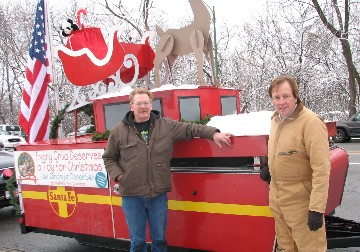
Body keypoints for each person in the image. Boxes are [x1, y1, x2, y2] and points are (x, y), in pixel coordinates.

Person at [102, 87, 232, 252]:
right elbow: (109, 157)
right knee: (138, 242)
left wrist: (213, 133)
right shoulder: (119, 131)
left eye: (146, 103)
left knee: (160, 241)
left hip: (158, 195)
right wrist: (119, 176)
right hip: (132, 196)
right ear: (131, 106)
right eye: (139, 103)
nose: (143, 107)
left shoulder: (166, 126)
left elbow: (191, 129)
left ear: (151, 105)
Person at [261, 75, 330, 251]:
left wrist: (316, 208)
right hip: (278, 201)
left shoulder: (311, 122)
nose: (281, 102)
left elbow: (321, 169)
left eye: (286, 96)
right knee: (287, 247)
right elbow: (281, 150)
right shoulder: (276, 120)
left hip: (302, 205)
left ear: (295, 96)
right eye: (276, 97)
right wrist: (269, 166)